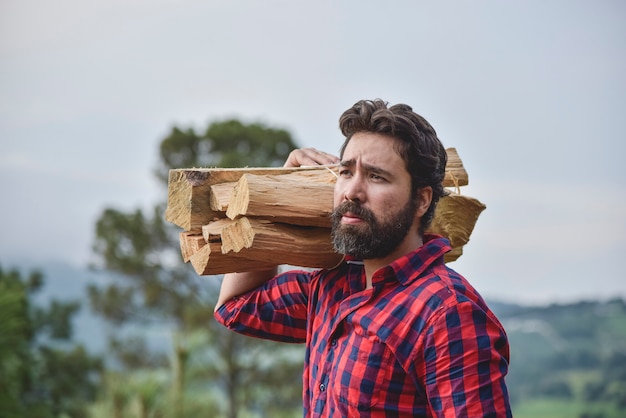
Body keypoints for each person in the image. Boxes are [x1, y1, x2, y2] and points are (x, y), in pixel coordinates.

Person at [214, 99, 511, 417]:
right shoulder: (331, 286)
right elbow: (236, 308)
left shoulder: (447, 313)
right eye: (345, 172)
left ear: (422, 200)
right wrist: (278, 195)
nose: (351, 191)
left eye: (376, 177)